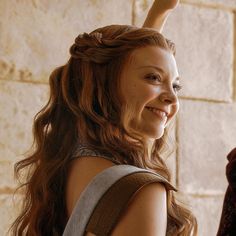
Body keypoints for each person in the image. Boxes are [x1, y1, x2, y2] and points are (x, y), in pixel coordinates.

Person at [10, 0, 198, 235]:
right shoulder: (141, 191)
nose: (172, 98)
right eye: (153, 78)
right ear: (105, 84)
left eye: (176, 86)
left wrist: (159, 13)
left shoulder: (71, 159)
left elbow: (126, 72)